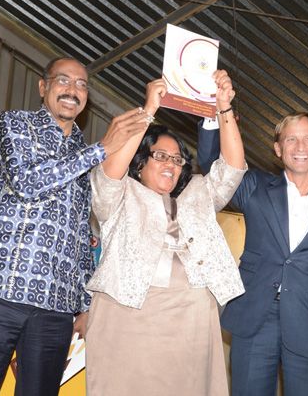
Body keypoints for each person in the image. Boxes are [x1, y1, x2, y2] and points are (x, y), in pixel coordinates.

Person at [0, 57, 150, 396]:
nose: (73, 90)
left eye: (82, 85)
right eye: (63, 81)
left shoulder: (84, 152)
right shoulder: (14, 125)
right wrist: (102, 149)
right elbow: (26, 182)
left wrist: (84, 304)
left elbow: (83, 234)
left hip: (55, 313)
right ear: (43, 87)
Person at [85, 71, 247, 396]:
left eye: (177, 159)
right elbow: (109, 171)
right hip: (129, 314)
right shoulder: (119, 195)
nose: (171, 164)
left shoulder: (198, 193)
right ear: (140, 161)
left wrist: (225, 109)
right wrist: (148, 111)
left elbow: (232, 169)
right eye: (160, 156)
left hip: (192, 319)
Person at [198, 112, 308, 396]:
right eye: (291, 140)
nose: (300, 147)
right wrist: (216, 117)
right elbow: (214, 168)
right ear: (277, 149)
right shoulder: (255, 187)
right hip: (255, 317)